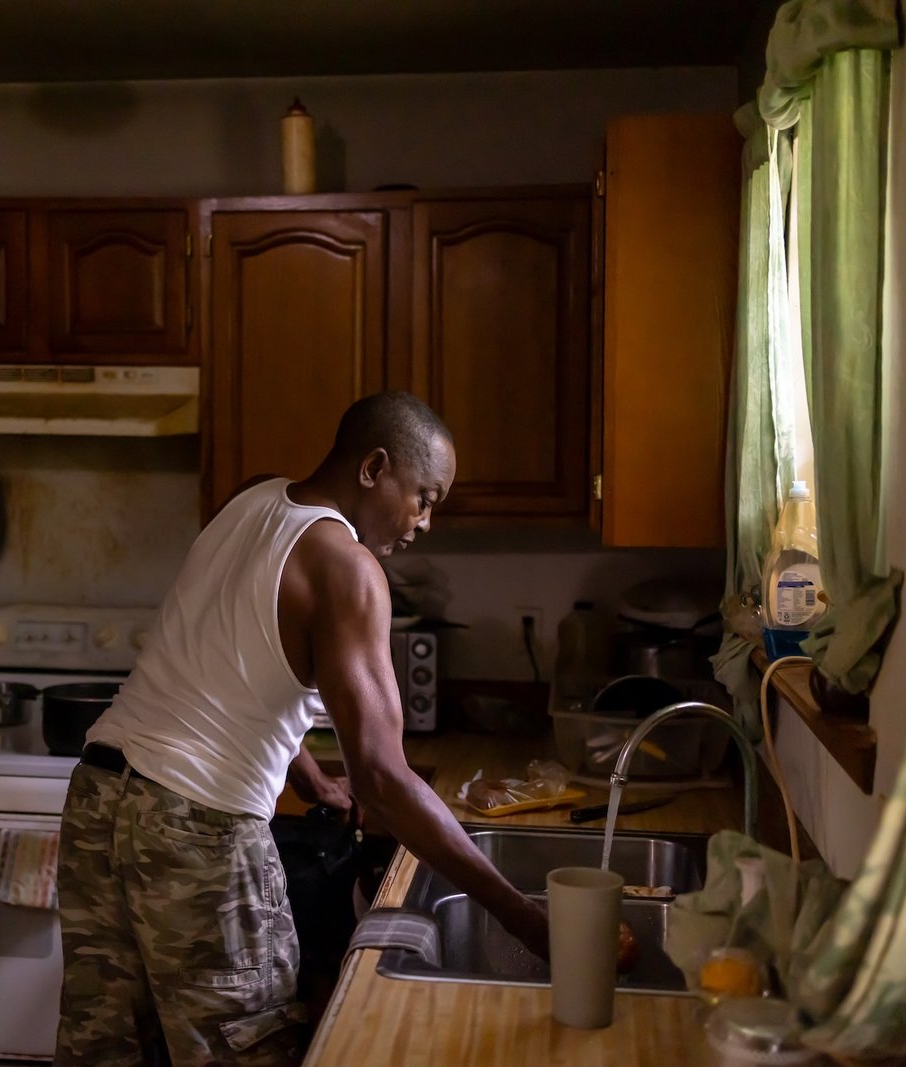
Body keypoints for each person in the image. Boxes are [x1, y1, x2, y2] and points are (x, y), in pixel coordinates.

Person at [54, 391, 549, 1066]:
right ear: (374, 467)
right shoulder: (347, 568)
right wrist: (522, 914)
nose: (426, 522)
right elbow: (382, 777)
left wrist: (310, 774)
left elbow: (225, 667)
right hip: (194, 831)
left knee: (106, 1052)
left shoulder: (249, 501)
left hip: (98, 803)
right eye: (425, 497)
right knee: (244, 1051)